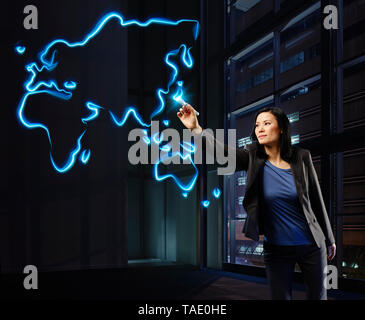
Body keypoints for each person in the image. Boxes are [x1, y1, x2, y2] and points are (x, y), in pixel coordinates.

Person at [177, 103, 336, 300]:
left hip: (311, 245)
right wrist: (196, 129)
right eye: (257, 125)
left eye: (266, 123)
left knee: (318, 297)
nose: (259, 128)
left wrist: (329, 238)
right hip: (277, 249)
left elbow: (316, 199)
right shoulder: (251, 156)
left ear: (282, 128)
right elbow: (220, 154)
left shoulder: (302, 157)